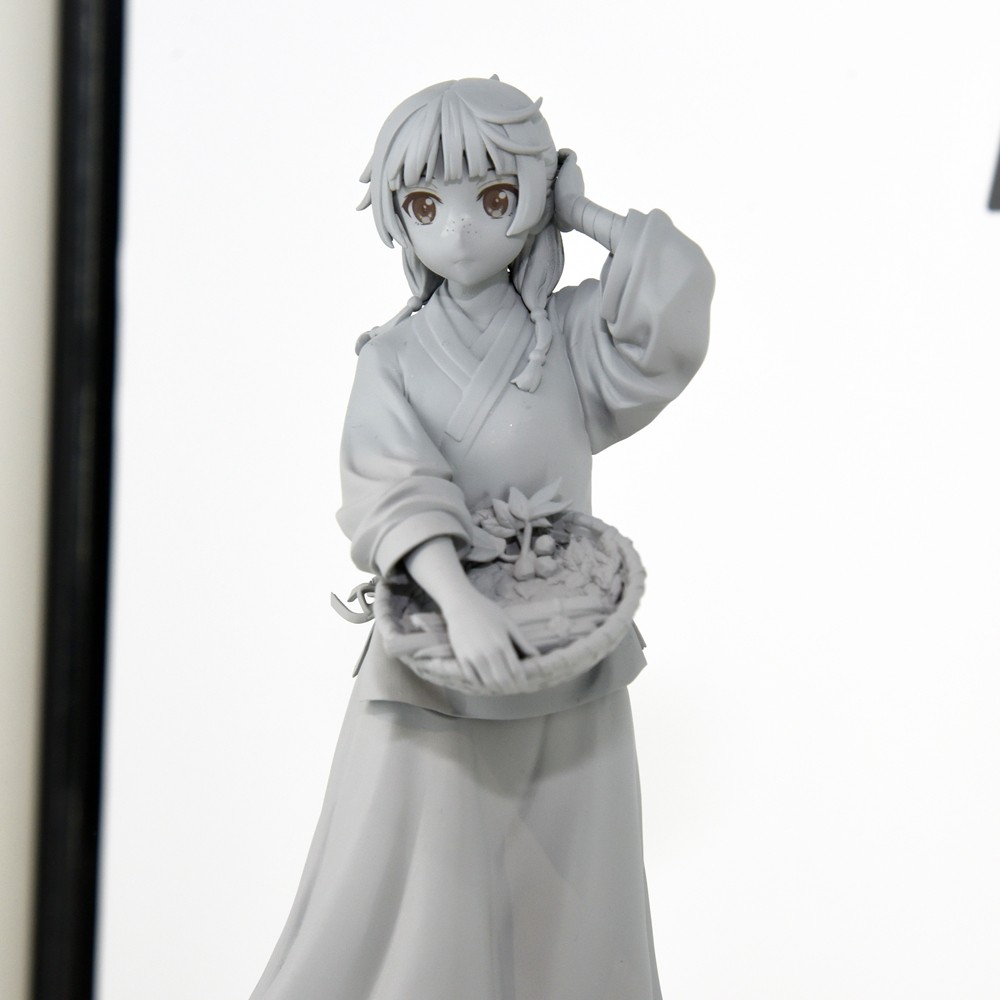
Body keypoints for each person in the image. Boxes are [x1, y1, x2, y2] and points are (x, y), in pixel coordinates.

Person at [249, 76, 714, 1000]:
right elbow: (391, 486)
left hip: (566, 646)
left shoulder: (571, 336)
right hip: (436, 658)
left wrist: (585, 214)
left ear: (537, 194)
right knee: (416, 887)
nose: (460, 229)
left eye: (495, 197)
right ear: (399, 218)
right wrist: (459, 602)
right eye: (427, 206)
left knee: (579, 897)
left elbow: (674, 299)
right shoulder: (392, 359)